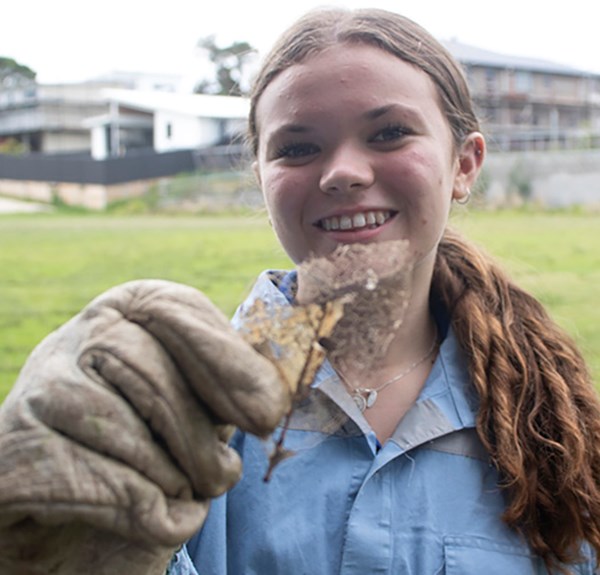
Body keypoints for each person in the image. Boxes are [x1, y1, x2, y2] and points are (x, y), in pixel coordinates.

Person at [0, 7, 599, 575]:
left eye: (389, 132)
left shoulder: (555, 426)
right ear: (261, 177)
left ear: (465, 164)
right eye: (298, 147)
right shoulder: (168, 415)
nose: (343, 171)